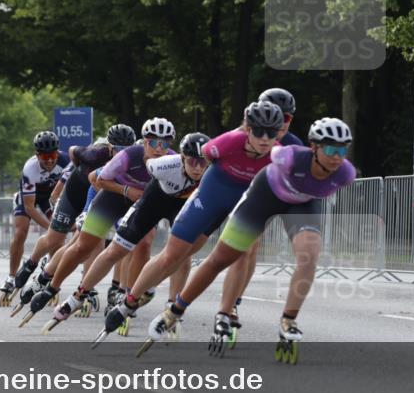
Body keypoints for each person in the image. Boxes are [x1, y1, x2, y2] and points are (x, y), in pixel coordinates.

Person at [143, 118, 355, 363]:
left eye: (342, 150)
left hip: (303, 203)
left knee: (309, 256)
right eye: (330, 149)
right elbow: (261, 154)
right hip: (265, 196)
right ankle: (175, 311)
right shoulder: (288, 157)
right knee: (221, 259)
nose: (337, 157)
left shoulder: (346, 173)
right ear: (314, 147)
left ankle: (288, 320)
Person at [110, 101, 284, 329]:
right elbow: (203, 156)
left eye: (271, 133)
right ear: (247, 129)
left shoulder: (280, 154)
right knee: (172, 255)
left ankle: (223, 310)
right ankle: (128, 302)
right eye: (259, 131)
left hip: (237, 207)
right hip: (207, 201)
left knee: (241, 252)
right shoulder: (229, 141)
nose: (265, 139)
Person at [45, 132, 210, 338]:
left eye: (203, 163)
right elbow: (99, 176)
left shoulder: (210, 173)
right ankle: (78, 296)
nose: (198, 168)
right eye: (193, 162)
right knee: (116, 250)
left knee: (183, 251)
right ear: (183, 158)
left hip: (179, 204)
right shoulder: (162, 165)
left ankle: (170, 305)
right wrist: (125, 190)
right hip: (151, 202)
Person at [17, 118, 176, 326]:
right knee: (83, 245)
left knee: (142, 244)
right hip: (108, 193)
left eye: (165, 144)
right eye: (153, 143)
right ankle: (51, 286)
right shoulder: (125, 156)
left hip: (141, 202)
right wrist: (120, 193)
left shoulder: (174, 161)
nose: (159, 149)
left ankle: (124, 294)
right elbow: (95, 179)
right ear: (144, 142)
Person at [3, 124, 135, 305]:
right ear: (109, 147)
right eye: (118, 149)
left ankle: (85, 286)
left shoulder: (132, 159)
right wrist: (56, 212)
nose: (122, 154)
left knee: (92, 241)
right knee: (54, 238)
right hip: (72, 194)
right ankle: (30, 265)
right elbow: (73, 154)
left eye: (126, 150)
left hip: (97, 195)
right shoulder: (94, 154)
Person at [224, 88, 302, 330]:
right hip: (234, 191)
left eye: (287, 118)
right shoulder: (239, 136)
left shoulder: (292, 144)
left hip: (260, 199)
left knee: (249, 249)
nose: (282, 123)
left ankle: (233, 303)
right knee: (239, 249)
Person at [0, 132, 69, 301]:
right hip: (29, 199)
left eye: (53, 155)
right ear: (37, 155)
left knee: (57, 238)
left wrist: (55, 228)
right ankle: (11, 276)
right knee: (20, 232)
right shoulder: (30, 168)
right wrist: (51, 228)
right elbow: (30, 208)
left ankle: (49, 274)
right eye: (45, 156)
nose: (50, 160)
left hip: (49, 198)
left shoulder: (66, 161)